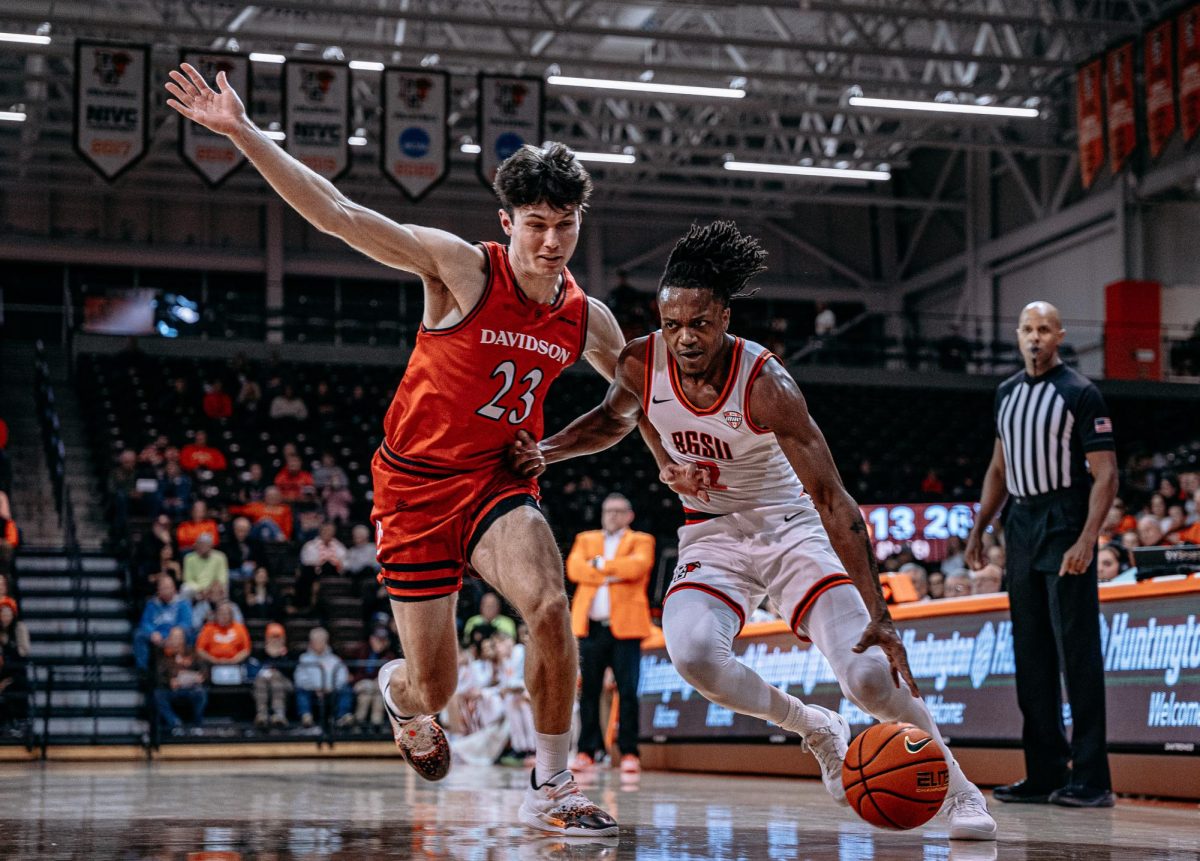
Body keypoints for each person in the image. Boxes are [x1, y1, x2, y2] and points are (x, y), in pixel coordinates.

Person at [168, 61, 649, 835]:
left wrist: (553, 451)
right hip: (415, 487)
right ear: (508, 224)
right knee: (436, 686)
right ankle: (400, 696)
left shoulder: (587, 318)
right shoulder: (461, 268)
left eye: (566, 224)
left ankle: (553, 785)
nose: (553, 240)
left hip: (497, 484)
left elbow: (629, 404)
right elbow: (336, 212)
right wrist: (243, 132)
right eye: (537, 224)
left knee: (552, 605)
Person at [511, 220, 996, 840]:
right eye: (673, 324)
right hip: (711, 534)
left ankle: (961, 794)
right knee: (692, 655)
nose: (685, 338)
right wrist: (548, 451)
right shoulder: (640, 361)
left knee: (872, 678)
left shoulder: (766, 385)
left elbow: (833, 500)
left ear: (725, 318)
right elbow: (614, 419)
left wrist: (880, 611)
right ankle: (815, 726)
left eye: (701, 324)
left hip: (788, 526)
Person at [965, 300, 1118, 809]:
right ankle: (1045, 771)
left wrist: (1086, 539)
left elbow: (1106, 473)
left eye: (1045, 329)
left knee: (1076, 650)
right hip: (1022, 522)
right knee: (1030, 653)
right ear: (1017, 335)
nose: (1035, 337)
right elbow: (997, 471)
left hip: (1065, 516)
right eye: (1028, 329)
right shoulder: (1006, 392)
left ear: (1060, 335)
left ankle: (1092, 779)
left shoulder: (1081, 392)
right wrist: (978, 529)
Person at [565, 493, 654, 774]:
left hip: (626, 629)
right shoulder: (585, 539)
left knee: (628, 691)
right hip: (591, 628)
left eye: (618, 511)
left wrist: (600, 565)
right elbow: (574, 569)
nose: (612, 516)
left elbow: (637, 567)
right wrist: (613, 570)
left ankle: (629, 752)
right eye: (608, 511)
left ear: (629, 515)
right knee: (588, 691)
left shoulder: (642, 540)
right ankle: (586, 751)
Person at [293, 627, 353, 728]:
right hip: (311, 691)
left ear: (326, 642)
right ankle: (306, 716)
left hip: (331, 691)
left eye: (321, 640)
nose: (319, 643)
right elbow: (299, 679)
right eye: (316, 641)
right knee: (300, 691)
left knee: (346, 689)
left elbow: (343, 677)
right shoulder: (304, 659)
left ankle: (343, 716)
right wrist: (316, 688)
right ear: (311, 642)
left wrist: (329, 688)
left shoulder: (334, 659)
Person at [154, 626, 207, 734]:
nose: (175, 641)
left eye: (178, 637)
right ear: (169, 639)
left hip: (191, 688)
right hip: (173, 689)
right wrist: (170, 681)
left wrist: (200, 677)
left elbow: (204, 670)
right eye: (173, 637)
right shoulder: (162, 655)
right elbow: (158, 675)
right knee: (157, 695)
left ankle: (197, 725)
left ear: (183, 639)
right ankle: (175, 724)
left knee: (201, 693)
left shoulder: (192, 652)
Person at [134, 577, 193, 669]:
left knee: (193, 634)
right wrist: (152, 633)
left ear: (174, 589)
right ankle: (142, 670)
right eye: (163, 588)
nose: (166, 591)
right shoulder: (152, 604)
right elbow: (145, 622)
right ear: (158, 590)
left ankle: (188, 665)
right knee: (139, 635)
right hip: (158, 635)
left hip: (176, 635)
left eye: (168, 587)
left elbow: (186, 622)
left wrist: (175, 633)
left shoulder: (183, 603)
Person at [250, 622, 292, 728]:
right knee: (261, 680)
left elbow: (292, 674)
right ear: (267, 638)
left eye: (278, 637)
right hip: (262, 682)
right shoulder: (259, 653)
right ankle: (262, 715)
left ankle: (279, 715)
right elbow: (252, 670)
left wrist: (280, 656)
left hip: (285, 684)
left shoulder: (289, 654)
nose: (275, 640)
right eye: (272, 637)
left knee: (275, 677)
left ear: (283, 638)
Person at [195, 601, 252, 668]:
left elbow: (246, 650)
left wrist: (233, 661)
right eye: (221, 613)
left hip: (235, 664)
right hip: (211, 664)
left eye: (226, 613)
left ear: (231, 615)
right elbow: (200, 650)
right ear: (216, 614)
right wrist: (214, 660)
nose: (224, 616)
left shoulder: (240, 628)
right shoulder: (208, 628)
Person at [181, 533, 229, 599]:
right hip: (197, 589)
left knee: (225, 587)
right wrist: (200, 589)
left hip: (214, 588)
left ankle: (223, 607)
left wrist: (211, 589)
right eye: (200, 545)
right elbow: (188, 579)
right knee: (185, 588)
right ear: (196, 545)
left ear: (211, 546)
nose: (203, 547)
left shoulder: (220, 557)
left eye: (206, 545)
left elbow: (222, 578)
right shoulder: (189, 558)